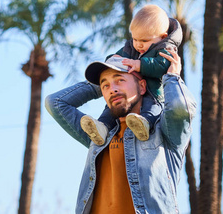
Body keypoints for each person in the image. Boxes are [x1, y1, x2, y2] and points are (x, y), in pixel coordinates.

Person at [45, 50, 196, 214]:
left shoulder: (163, 131)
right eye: (106, 86)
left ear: (142, 86)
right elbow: (55, 103)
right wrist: (102, 80)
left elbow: (181, 109)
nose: (112, 90)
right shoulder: (99, 134)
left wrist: (171, 78)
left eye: (120, 80)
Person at [80, 5, 182, 145]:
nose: (138, 45)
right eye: (135, 39)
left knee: (151, 109)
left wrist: (140, 65)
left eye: (144, 41)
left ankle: (144, 125)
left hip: (153, 93)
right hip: (134, 90)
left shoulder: (166, 48)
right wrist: (112, 59)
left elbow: (162, 66)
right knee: (110, 108)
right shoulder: (132, 46)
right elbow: (118, 58)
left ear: (162, 37)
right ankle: (101, 127)